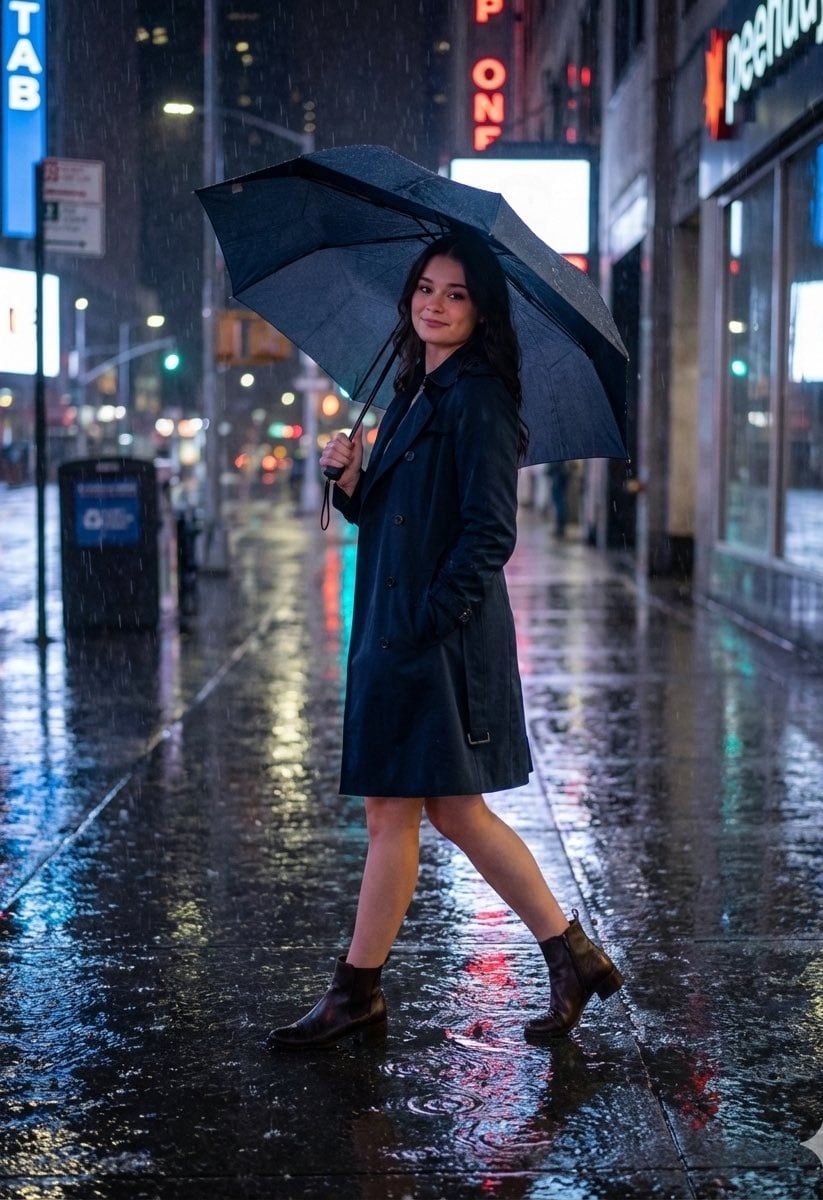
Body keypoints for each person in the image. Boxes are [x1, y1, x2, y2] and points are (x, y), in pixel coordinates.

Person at [268, 233, 623, 1051]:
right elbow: (400, 518)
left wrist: (428, 621)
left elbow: (488, 532)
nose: (434, 303)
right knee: (443, 811)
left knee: (410, 810)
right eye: (426, 288)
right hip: (400, 627)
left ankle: (359, 991)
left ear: (481, 308)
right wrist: (352, 481)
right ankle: (568, 956)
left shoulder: (481, 399)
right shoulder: (410, 391)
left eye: (456, 293)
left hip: (435, 637)